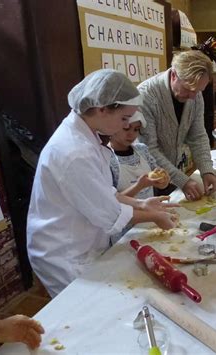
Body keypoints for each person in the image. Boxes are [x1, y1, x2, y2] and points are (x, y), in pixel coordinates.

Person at [27, 69, 179, 297]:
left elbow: (106, 194)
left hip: (81, 238)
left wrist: (142, 205)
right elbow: (109, 214)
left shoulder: (87, 136)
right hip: (64, 250)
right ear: (102, 109)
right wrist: (155, 216)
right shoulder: (74, 152)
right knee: (84, 311)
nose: (125, 126)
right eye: (124, 119)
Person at [137, 50, 216, 201]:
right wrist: (182, 180)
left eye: (199, 91)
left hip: (171, 171)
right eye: (188, 90)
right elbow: (148, 149)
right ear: (174, 75)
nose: (193, 96)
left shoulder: (195, 94)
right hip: (144, 180)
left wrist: (207, 170)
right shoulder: (146, 96)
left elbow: (198, 136)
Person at [109, 111, 170, 200]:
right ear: (112, 128)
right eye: (126, 128)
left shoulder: (142, 150)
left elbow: (159, 182)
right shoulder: (108, 159)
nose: (131, 134)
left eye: (136, 129)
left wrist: (163, 181)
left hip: (150, 209)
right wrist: (139, 186)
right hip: (128, 213)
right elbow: (112, 202)